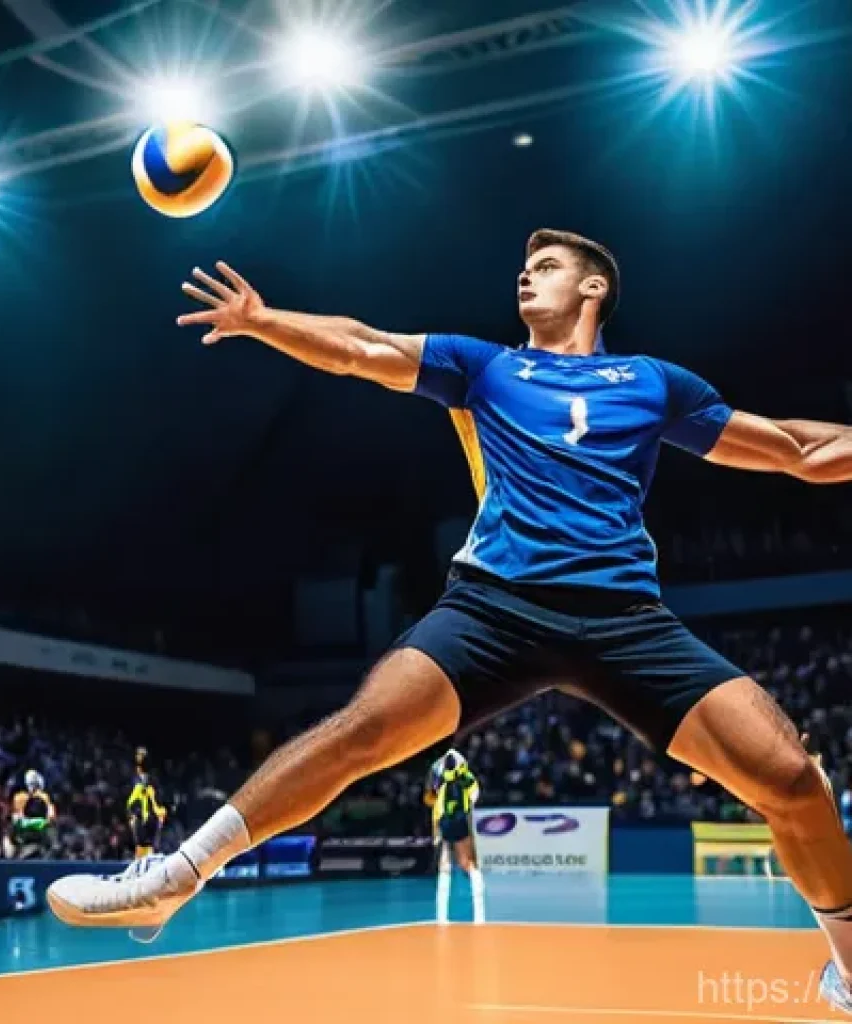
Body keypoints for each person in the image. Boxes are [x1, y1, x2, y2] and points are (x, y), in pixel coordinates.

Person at [47, 231, 852, 1010]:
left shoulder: (654, 383)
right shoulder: (485, 366)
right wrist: (265, 320)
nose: (524, 278)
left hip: (624, 615)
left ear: (594, 287)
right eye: (524, 268)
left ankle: (849, 970)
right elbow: (362, 347)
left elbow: (795, 450)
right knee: (360, 729)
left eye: (544, 266)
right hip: (494, 604)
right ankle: (173, 879)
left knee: (791, 779)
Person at [425, 749, 484, 924]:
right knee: (467, 863)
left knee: (445, 865)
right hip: (459, 820)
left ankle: (441, 917)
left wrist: (436, 827)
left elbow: (433, 800)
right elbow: (475, 795)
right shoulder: (465, 775)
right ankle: (479, 915)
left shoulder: (438, 773)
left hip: (444, 821)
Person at [128, 747, 167, 859]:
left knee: (151, 846)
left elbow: (159, 797)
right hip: (139, 816)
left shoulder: (154, 778)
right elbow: (130, 799)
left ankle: (149, 865)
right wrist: (131, 815)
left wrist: (160, 812)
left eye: (142, 755)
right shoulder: (133, 779)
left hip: (152, 816)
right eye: (138, 755)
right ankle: (139, 867)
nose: (140, 758)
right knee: (140, 845)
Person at [10, 769, 56, 859]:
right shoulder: (19, 797)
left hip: (37, 831)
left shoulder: (43, 797)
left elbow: (51, 817)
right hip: (25, 831)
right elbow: (17, 818)